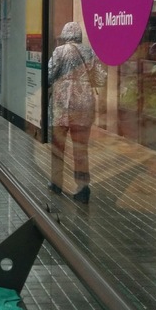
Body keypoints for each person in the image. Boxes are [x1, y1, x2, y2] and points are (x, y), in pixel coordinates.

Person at [48, 22, 106, 204]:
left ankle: (56, 183)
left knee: (58, 147)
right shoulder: (90, 52)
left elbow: (48, 75)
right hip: (84, 108)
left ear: (65, 35)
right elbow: (101, 78)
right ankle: (82, 188)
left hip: (62, 108)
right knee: (81, 150)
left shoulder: (60, 51)